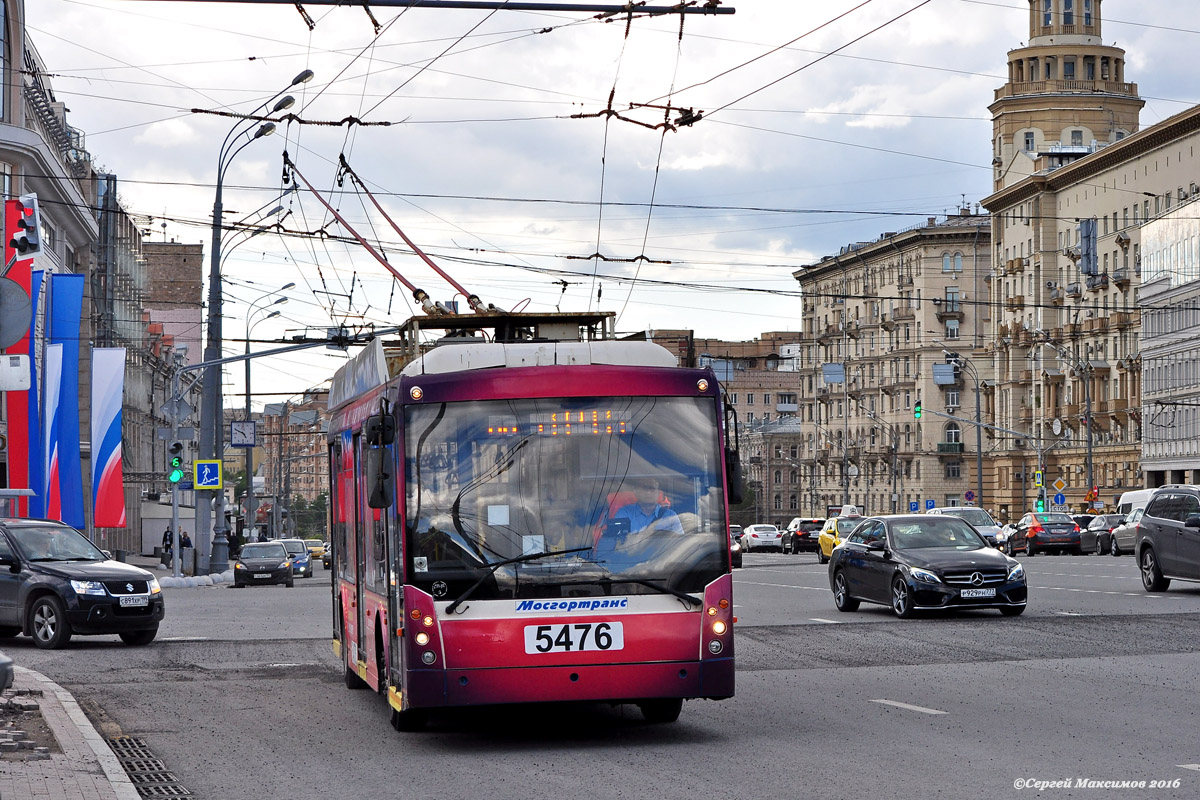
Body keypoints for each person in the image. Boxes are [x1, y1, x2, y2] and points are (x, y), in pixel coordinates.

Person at [611, 476, 683, 535]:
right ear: (636, 491)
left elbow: (680, 544)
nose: (648, 492)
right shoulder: (624, 513)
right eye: (644, 488)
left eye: (652, 489)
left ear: (658, 492)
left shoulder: (670, 516)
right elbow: (615, 542)